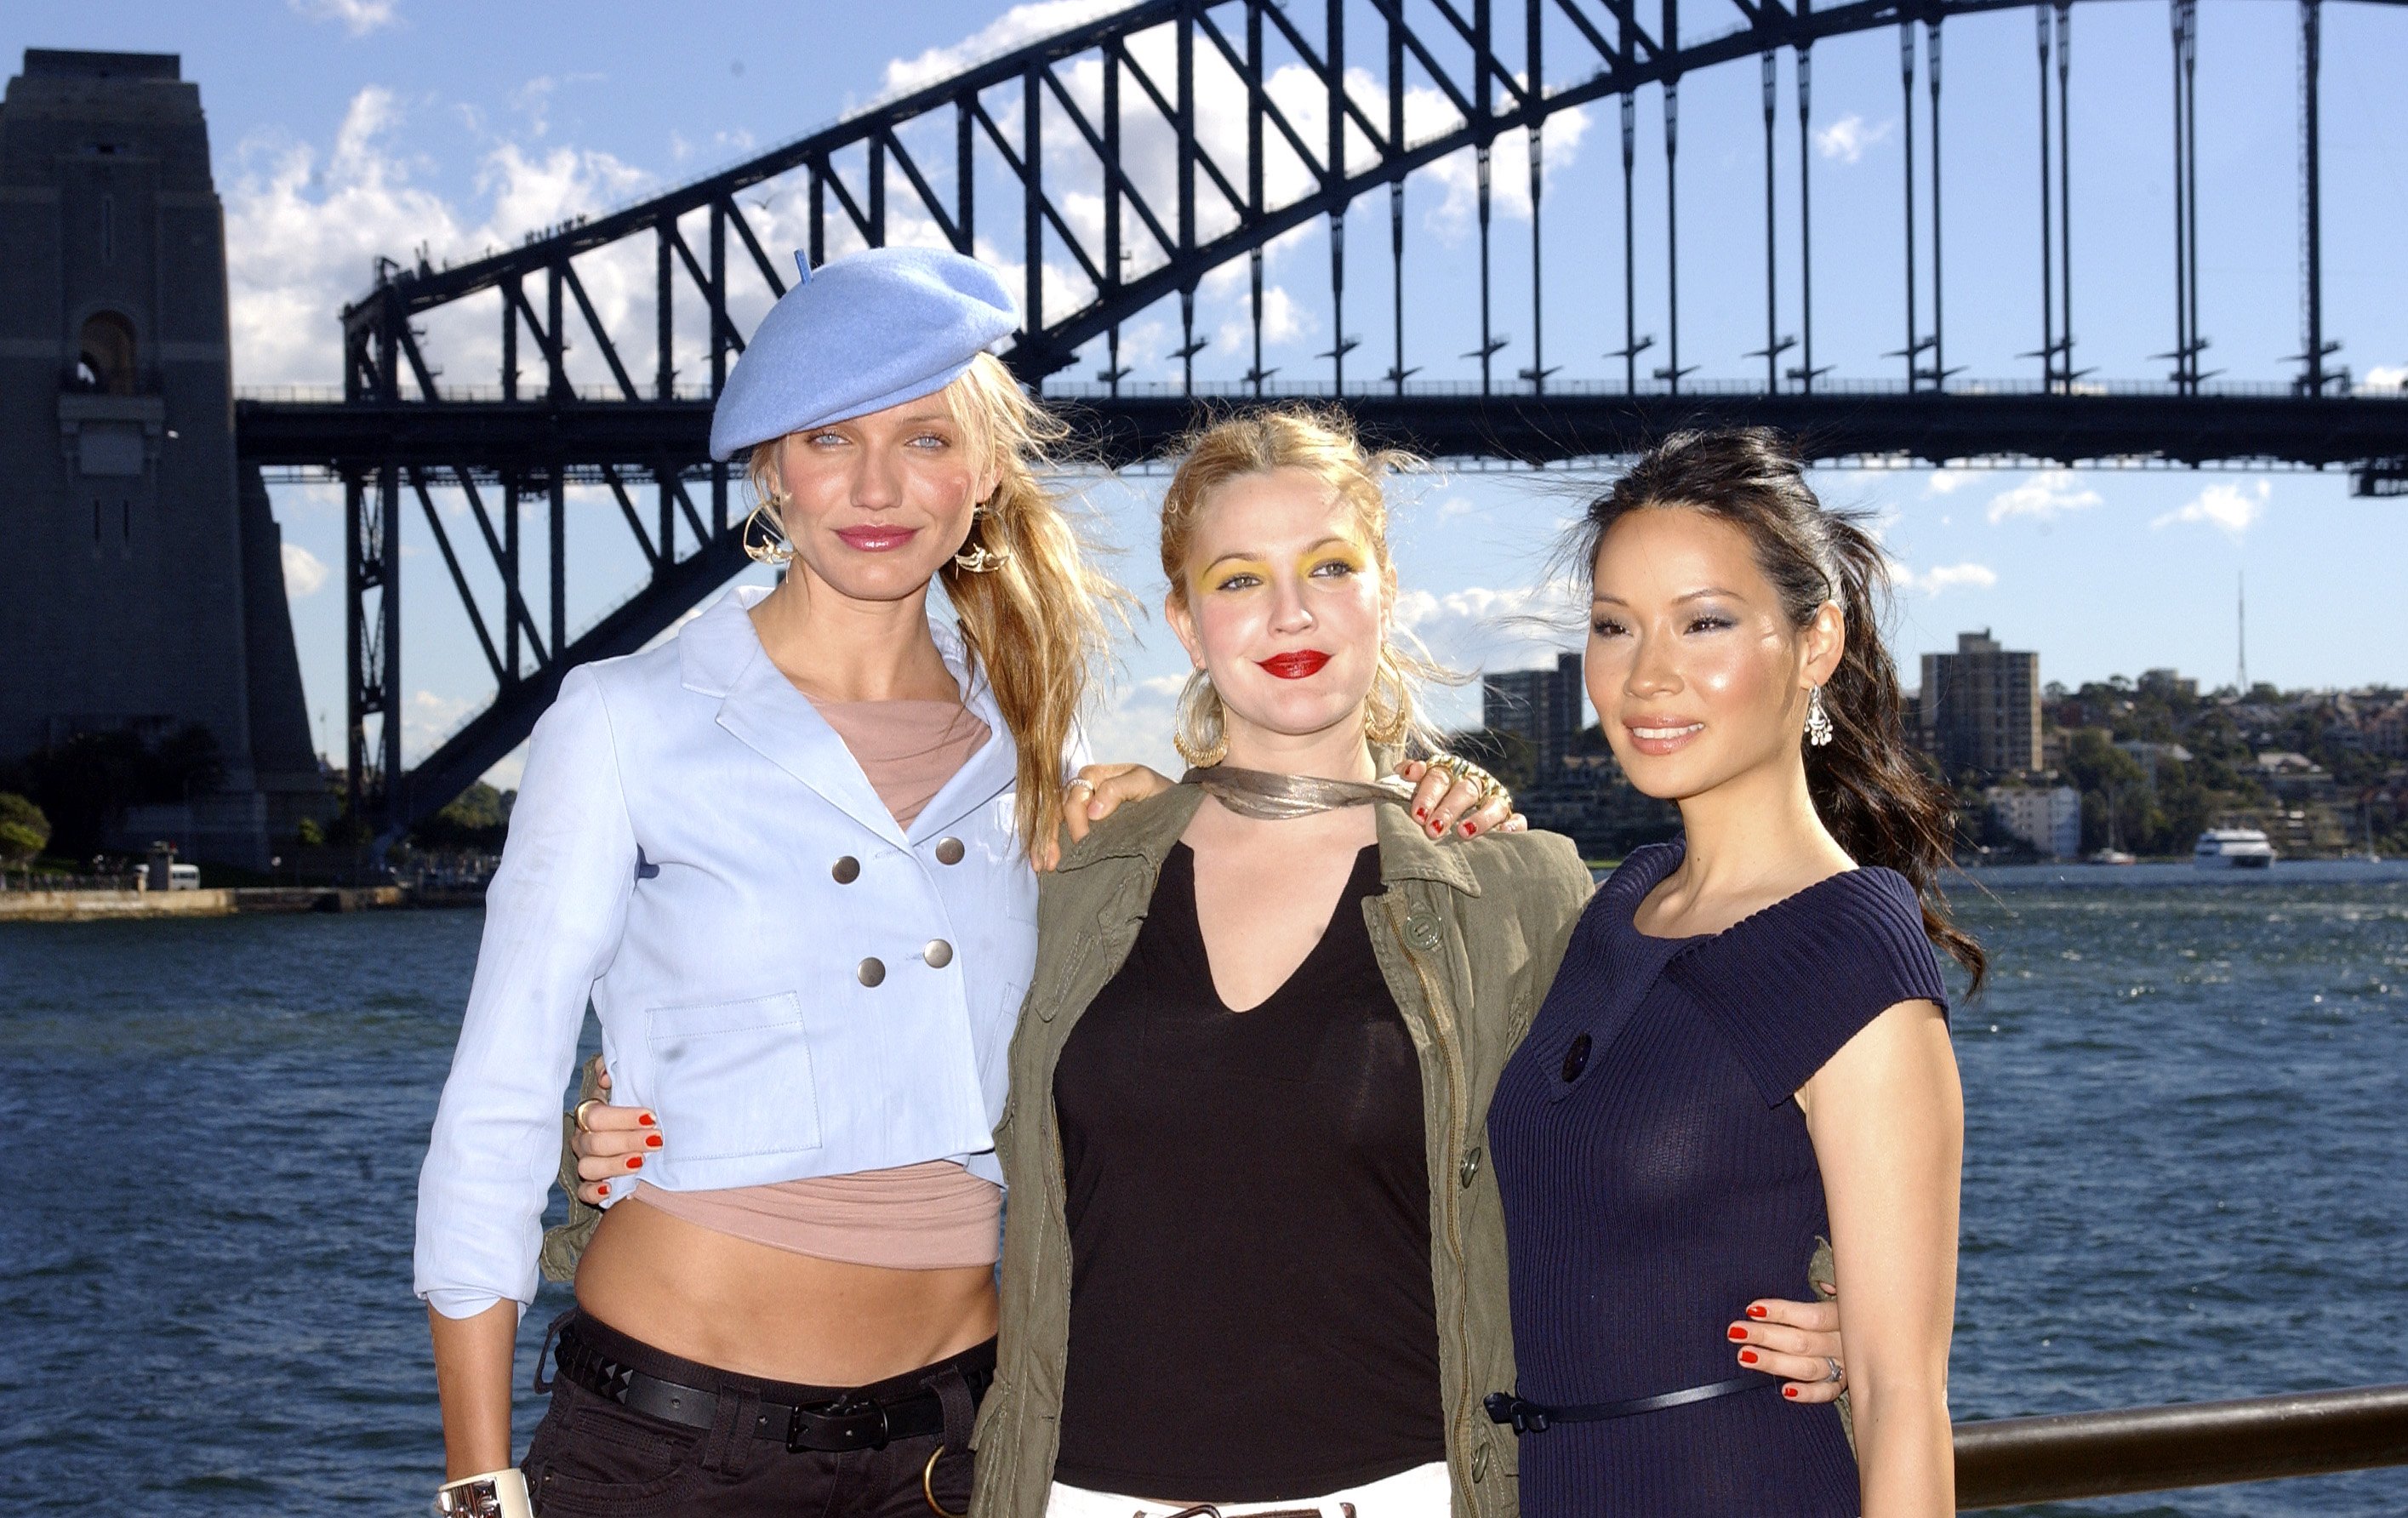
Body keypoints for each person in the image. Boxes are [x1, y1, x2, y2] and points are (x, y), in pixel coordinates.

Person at [419, 248, 1517, 1518]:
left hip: (961, 1452)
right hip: (672, 1445)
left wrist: (1436, 804)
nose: (879, 486)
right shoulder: (626, 720)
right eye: (829, 438)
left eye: (928, 438)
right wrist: (475, 1474)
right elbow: (492, 1108)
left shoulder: (1031, 744)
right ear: (770, 470)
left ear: (984, 469)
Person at [1484, 428, 1977, 1517]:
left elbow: (1906, 1401)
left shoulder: (1852, 955)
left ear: (1815, 643)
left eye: (1704, 621)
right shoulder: (1619, 903)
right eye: (1614, 626)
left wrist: (1866, 1327)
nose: (1646, 675)